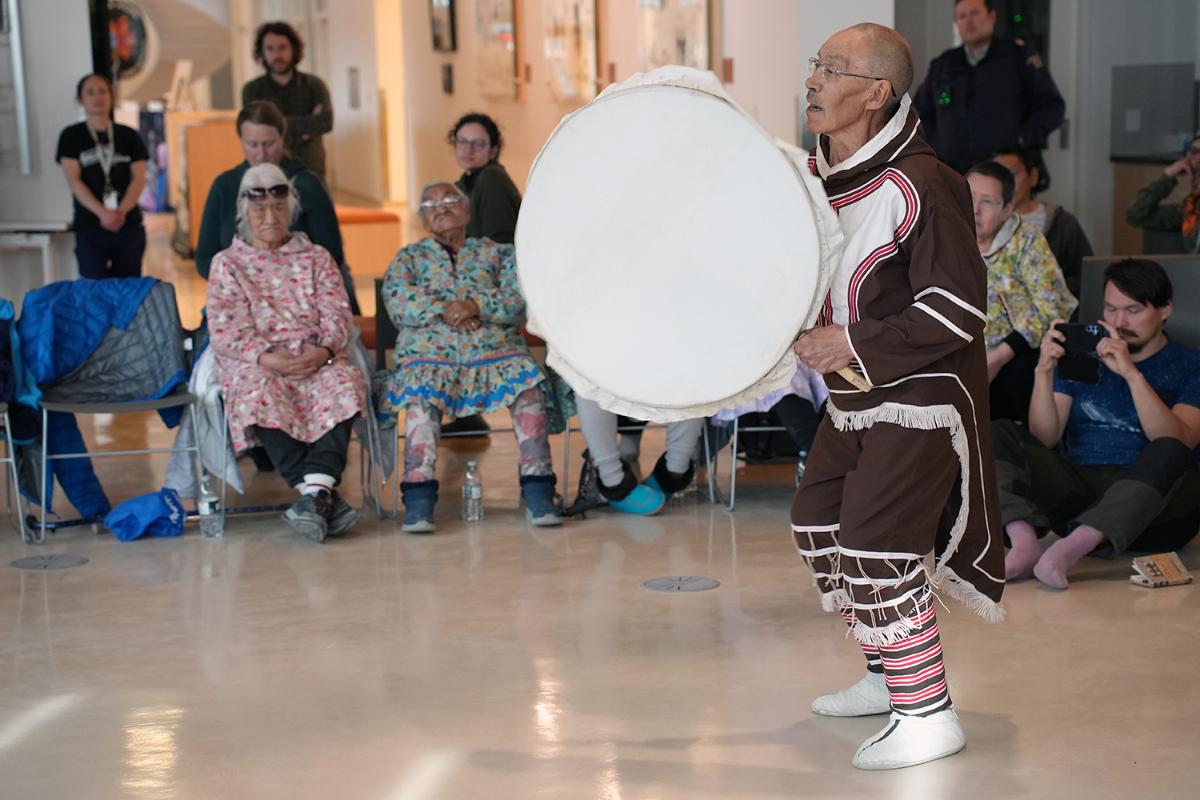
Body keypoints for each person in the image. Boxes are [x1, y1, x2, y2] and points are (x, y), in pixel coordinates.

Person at [791, 23, 1004, 770]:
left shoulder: (924, 183)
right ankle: (888, 676)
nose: (813, 81)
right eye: (816, 66)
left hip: (923, 398)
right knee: (818, 519)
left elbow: (959, 309)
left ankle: (928, 713)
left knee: (875, 545)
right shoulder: (814, 180)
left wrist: (850, 342)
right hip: (856, 395)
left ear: (877, 92)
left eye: (833, 69)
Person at [996, 259, 1200, 589]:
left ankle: (1072, 549)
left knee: (1171, 449)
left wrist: (1132, 374)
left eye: (1133, 310)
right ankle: (1024, 542)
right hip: (1081, 499)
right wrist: (1044, 372)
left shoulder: (1191, 364)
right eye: (1111, 309)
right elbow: (1044, 437)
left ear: (1165, 310)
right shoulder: (1082, 357)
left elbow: (1180, 439)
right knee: (1000, 432)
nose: (1119, 322)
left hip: (1157, 513)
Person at [378, 181, 561, 532]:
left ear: (467, 209)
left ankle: (539, 489)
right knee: (420, 397)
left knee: (529, 388)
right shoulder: (408, 258)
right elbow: (399, 303)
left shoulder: (499, 254)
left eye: (450, 199)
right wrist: (451, 309)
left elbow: (517, 298)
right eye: (431, 205)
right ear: (422, 219)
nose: (441, 208)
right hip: (430, 355)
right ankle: (418, 499)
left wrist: (477, 305)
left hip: (495, 352)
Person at [206, 163, 367, 543]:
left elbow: (338, 314)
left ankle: (314, 496)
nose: (270, 217)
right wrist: (268, 358)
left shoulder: (317, 257)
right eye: (259, 209)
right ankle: (320, 493)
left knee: (344, 382)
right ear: (244, 212)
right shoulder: (228, 264)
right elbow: (227, 328)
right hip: (261, 361)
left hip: (317, 355)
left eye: (279, 208)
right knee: (257, 391)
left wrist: (323, 351)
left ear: (291, 210)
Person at [194, 101, 359, 314]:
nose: (261, 154)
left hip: (303, 294)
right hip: (242, 293)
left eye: (269, 143)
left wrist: (286, 285)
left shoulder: (307, 185)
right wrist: (245, 283)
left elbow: (332, 252)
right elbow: (204, 258)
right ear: (241, 141)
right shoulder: (224, 186)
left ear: (283, 138)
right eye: (252, 145)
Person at [966, 160, 1076, 423]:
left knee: (1020, 374)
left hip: (1012, 353)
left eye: (987, 201)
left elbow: (1053, 306)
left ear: (1007, 209)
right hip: (957, 349)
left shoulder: (1026, 240)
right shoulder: (945, 234)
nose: (974, 209)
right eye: (968, 196)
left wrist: (999, 356)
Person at [913, 0, 1064, 175]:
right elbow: (920, 113)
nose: (969, 20)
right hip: (952, 173)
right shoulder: (943, 65)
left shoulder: (1017, 56)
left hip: (1005, 173)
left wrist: (1021, 142)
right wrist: (938, 147)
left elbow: (1051, 107)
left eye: (975, 13)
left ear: (992, 17)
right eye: (962, 16)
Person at [55, 73, 149, 279]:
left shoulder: (129, 135)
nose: (97, 97)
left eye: (102, 91)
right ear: (80, 100)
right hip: (91, 224)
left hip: (127, 223)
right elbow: (74, 180)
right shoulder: (71, 136)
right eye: (90, 92)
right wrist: (103, 214)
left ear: (111, 96)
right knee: (93, 285)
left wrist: (120, 212)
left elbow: (139, 177)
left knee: (127, 286)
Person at [993, 147, 1094, 297]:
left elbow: (1086, 277)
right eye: (998, 176)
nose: (1005, 183)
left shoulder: (1063, 223)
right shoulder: (982, 221)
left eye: (1012, 174)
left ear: (1033, 176)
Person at [241, 21, 333, 181]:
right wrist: (305, 127)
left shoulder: (314, 85)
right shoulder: (252, 90)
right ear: (261, 52)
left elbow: (325, 122)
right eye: (270, 48)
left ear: (293, 49)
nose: (277, 54)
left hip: (310, 168)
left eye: (282, 47)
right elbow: (255, 130)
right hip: (268, 170)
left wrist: (274, 128)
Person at [450, 113, 522, 244]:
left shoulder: (492, 178)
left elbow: (499, 241)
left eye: (478, 144)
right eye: (463, 142)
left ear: (493, 151)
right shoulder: (464, 182)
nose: (468, 150)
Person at [1126, 132, 1200, 254]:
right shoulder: (1190, 211)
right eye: (1194, 151)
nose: (1198, 159)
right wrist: (1167, 177)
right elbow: (1136, 214)